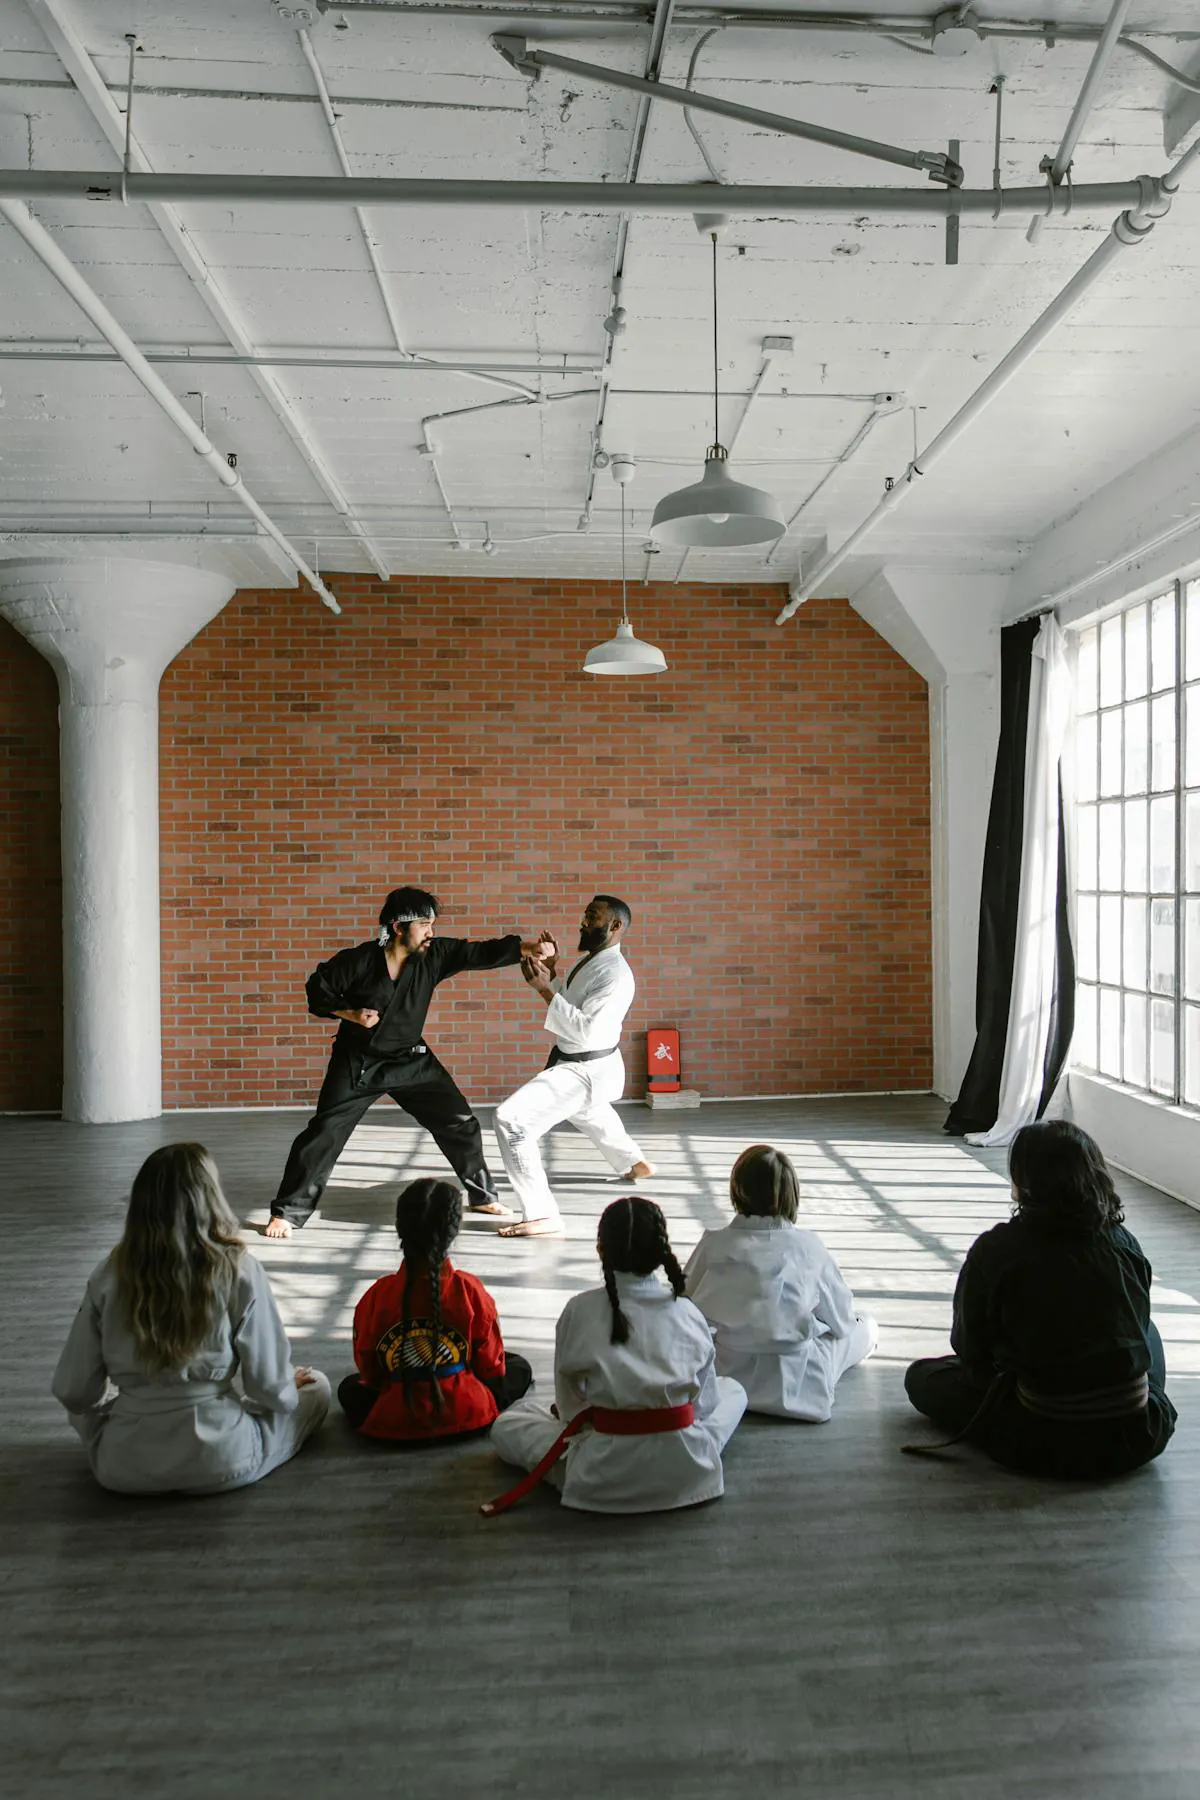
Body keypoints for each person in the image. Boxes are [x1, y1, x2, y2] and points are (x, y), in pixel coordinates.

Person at [267, 886, 554, 1236]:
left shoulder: (434, 955)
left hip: (411, 1059)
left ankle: (481, 1195)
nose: (431, 932)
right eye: (424, 924)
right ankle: (287, 1212)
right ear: (398, 927)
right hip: (358, 1062)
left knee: (460, 1121)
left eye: (432, 924)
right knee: (324, 1134)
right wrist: (351, 1014)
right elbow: (317, 990)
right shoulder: (358, 961)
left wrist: (530, 948)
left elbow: (478, 952)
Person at [51, 1143, 329, 1496]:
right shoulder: (240, 1270)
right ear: (211, 1197)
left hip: (124, 1466)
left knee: (86, 1413)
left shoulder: (108, 1274)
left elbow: (73, 1391)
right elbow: (271, 1390)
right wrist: (288, 1384)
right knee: (317, 1386)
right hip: (223, 1459)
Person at [904, 1119, 1177, 1477]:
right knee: (1148, 1331)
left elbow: (970, 1347)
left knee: (922, 1377)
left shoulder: (997, 1250)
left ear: (1024, 1182)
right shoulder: (1123, 1242)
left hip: (1043, 1439)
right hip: (1138, 1436)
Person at [484, 1196, 746, 1514]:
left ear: (601, 1249)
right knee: (733, 1391)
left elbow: (569, 1408)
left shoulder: (579, 1309)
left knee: (510, 1422)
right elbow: (705, 1407)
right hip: (686, 1468)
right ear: (661, 1251)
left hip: (601, 1470)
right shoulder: (688, 1312)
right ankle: (683, 1456)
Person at [491, 894, 654, 1240]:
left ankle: (542, 1213)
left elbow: (584, 1030)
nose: (583, 922)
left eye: (592, 917)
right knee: (589, 1112)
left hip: (585, 1069)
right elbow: (572, 1003)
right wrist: (551, 973)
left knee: (511, 1121)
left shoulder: (616, 975)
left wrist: (544, 990)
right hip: (588, 1067)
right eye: (585, 915)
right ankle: (633, 1162)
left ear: (614, 926)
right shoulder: (592, 961)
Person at [685, 1143, 877, 1420]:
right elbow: (842, 1322)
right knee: (865, 1325)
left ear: (736, 1190)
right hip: (797, 1382)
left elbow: (685, 1307)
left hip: (727, 1375)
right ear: (792, 1194)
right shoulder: (808, 1246)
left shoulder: (713, 1244)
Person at [338, 1177, 533, 1442]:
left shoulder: (377, 1295)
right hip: (467, 1415)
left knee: (349, 1388)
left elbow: (371, 1372)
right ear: (454, 1231)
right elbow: (490, 1365)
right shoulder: (469, 1289)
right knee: (518, 1367)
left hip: (395, 1418)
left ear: (399, 1227)